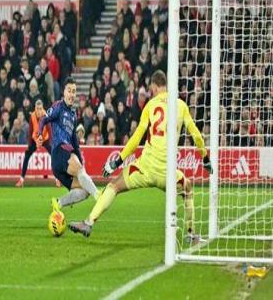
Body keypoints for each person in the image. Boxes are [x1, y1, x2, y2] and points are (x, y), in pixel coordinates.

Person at [69, 70, 213, 240]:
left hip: (144, 168)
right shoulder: (181, 106)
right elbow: (196, 135)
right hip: (167, 173)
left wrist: (117, 161)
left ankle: (88, 222)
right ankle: (191, 233)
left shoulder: (150, 106)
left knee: (113, 186)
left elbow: (136, 138)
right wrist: (205, 158)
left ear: (154, 86)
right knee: (187, 189)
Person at [37, 77, 99, 215]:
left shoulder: (73, 115)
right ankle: (99, 197)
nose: (71, 94)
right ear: (64, 92)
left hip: (59, 166)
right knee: (83, 175)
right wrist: (40, 134)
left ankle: (58, 203)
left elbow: (75, 144)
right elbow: (43, 119)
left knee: (84, 191)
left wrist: (81, 164)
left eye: (74, 91)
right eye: (69, 91)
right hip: (60, 150)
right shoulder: (58, 106)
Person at [15, 99, 60, 188]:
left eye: (40, 108)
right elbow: (30, 131)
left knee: (54, 156)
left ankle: (58, 179)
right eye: (37, 108)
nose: (39, 111)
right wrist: (30, 144)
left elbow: (49, 131)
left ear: (42, 108)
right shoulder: (32, 116)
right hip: (35, 138)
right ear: (35, 109)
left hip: (45, 138)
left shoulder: (46, 116)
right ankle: (21, 179)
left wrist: (51, 143)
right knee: (27, 155)